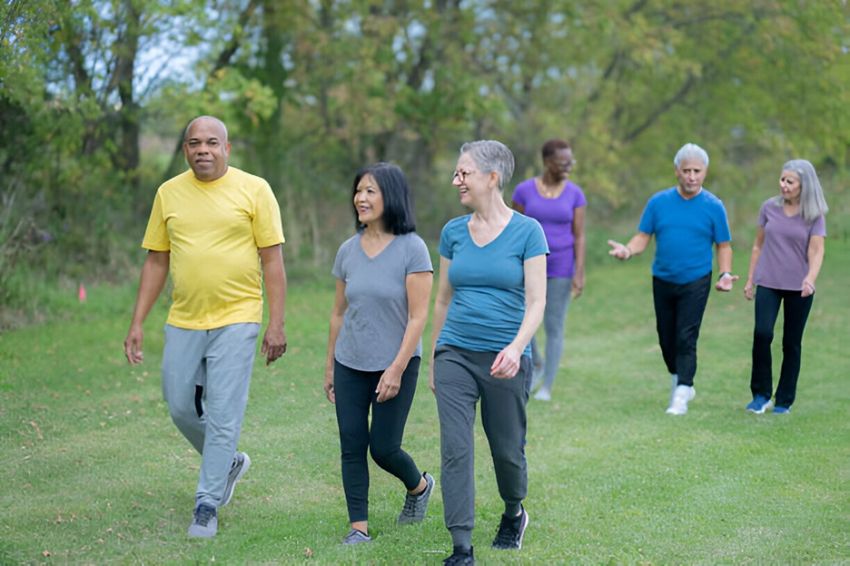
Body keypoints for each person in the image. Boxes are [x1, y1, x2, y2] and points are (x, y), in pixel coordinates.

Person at [123, 116, 287, 538]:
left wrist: (277, 323)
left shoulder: (255, 190)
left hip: (239, 315)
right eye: (194, 143)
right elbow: (157, 259)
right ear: (184, 150)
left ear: (227, 148)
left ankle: (206, 503)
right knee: (179, 404)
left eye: (212, 143)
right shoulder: (169, 193)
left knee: (224, 413)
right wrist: (137, 321)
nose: (203, 150)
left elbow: (272, 259)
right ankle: (228, 462)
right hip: (184, 317)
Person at [430, 140, 547, 565]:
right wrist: (436, 354)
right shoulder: (453, 232)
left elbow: (536, 301)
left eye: (464, 173)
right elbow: (442, 300)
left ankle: (514, 511)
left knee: (507, 450)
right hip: (455, 354)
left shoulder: (527, 232)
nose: (456, 180)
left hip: (506, 358)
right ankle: (461, 546)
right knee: (456, 448)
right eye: (456, 173)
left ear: (492, 177)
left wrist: (516, 348)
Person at [323, 163, 435, 545]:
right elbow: (338, 313)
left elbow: (419, 316)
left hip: (397, 363)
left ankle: (419, 487)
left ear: (391, 196)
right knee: (351, 444)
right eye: (358, 190)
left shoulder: (413, 249)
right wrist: (329, 368)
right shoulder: (347, 251)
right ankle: (359, 528)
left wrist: (396, 368)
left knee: (383, 448)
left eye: (370, 191)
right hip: (349, 362)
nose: (361, 198)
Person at [607, 143, 736, 415]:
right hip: (663, 278)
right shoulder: (658, 203)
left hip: (696, 279)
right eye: (686, 170)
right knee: (666, 339)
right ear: (677, 171)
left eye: (697, 171)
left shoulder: (714, 206)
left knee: (686, 336)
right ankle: (681, 380)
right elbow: (643, 236)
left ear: (705, 172)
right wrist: (628, 250)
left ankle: (681, 392)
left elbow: (723, 245)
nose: (691, 176)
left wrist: (725, 273)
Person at [742, 159, 828, 414]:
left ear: (804, 186)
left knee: (791, 342)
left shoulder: (814, 214)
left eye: (790, 182)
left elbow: (817, 250)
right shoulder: (769, 207)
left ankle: (784, 400)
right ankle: (760, 394)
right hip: (768, 281)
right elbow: (758, 245)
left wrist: (810, 279)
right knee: (762, 334)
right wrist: (750, 279)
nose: (784, 185)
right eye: (782, 179)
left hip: (799, 287)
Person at [511, 139, 586, 401]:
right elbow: (514, 229)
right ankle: (538, 363)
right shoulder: (523, 192)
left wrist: (579, 271)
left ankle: (546, 386)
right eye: (563, 162)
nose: (568, 166)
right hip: (527, 268)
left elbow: (579, 235)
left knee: (554, 325)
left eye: (570, 162)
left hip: (561, 268)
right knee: (522, 318)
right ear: (547, 162)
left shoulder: (575, 194)